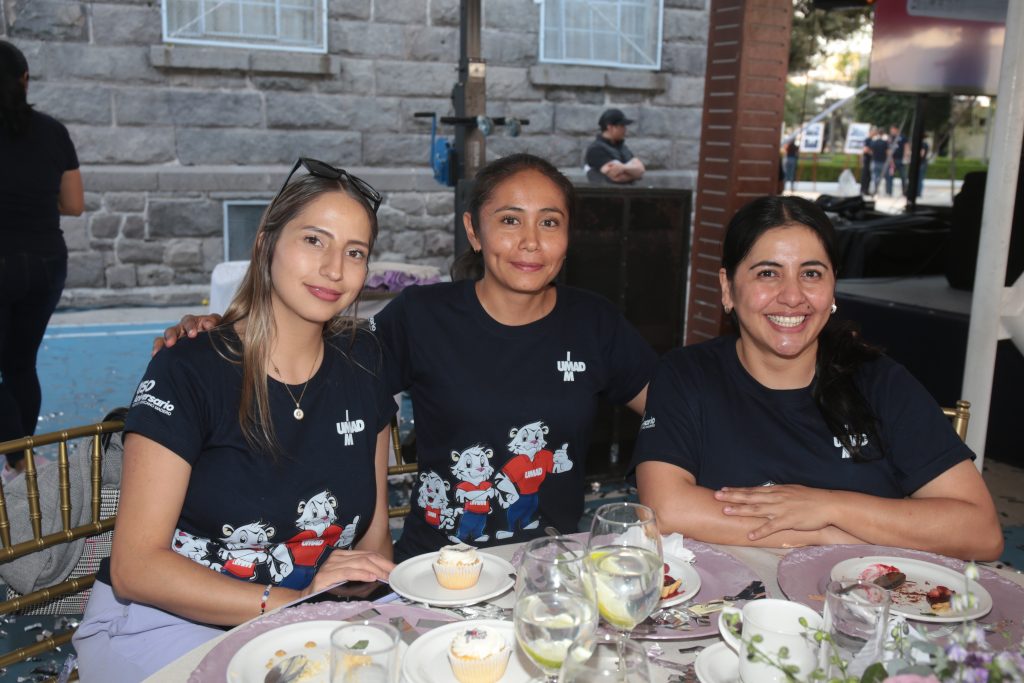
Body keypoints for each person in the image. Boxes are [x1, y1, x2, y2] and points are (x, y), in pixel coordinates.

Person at [158, 154, 658, 562]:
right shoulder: (421, 316)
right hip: (435, 569)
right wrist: (223, 331)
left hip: (554, 567)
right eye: (509, 221)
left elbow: (673, 412)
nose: (531, 242)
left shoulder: (594, 323)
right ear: (474, 230)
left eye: (550, 222)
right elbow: (317, 363)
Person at [73, 159, 397, 680]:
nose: (335, 268)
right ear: (266, 242)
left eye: (354, 252)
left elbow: (373, 541)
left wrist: (339, 595)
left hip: (305, 621)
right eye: (314, 240)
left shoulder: (366, 363)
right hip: (164, 625)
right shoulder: (190, 367)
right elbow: (136, 568)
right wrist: (295, 601)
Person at [631, 195, 1003, 561]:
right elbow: (666, 510)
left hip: (860, 606)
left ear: (833, 287)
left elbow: (980, 531)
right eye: (767, 273)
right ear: (728, 288)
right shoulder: (686, 374)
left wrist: (829, 506)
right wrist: (827, 536)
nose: (793, 296)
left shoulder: (880, 382)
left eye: (811, 274)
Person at [0, 40, 84, 476]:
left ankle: (16, 453)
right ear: (24, 80)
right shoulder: (53, 131)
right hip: (46, 261)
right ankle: (20, 460)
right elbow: (73, 204)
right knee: (20, 363)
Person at [584, 108, 646, 185]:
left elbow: (641, 170)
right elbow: (616, 177)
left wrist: (623, 168)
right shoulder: (595, 150)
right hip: (605, 195)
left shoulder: (623, 148)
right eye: (621, 126)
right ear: (609, 127)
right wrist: (633, 174)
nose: (625, 130)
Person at [867, 128, 890, 196]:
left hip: (875, 161)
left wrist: (873, 155)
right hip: (883, 162)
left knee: (875, 177)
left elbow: (870, 150)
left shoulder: (874, 141)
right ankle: (888, 192)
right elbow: (887, 152)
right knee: (886, 177)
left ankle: (875, 190)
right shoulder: (885, 142)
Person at [887, 124, 907, 197]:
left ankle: (905, 192)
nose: (891, 131)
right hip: (892, 161)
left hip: (900, 160)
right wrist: (891, 160)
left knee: (903, 177)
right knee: (890, 176)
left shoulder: (903, 137)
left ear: (896, 129)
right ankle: (889, 192)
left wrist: (905, 157)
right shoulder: (890, 138)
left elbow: (906, 147)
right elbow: (888, 149)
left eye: (892, 130)